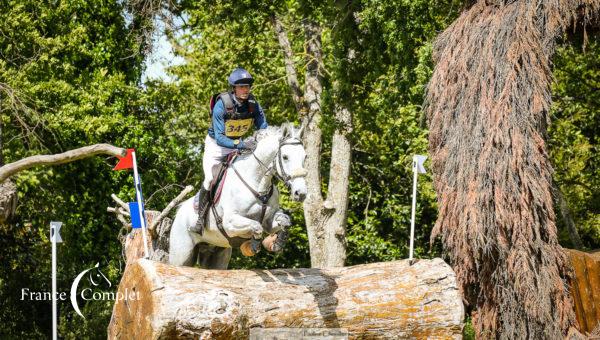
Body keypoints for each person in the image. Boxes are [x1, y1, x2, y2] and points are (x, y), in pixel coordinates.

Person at [190, 67, 268, 233]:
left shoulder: (253, 105)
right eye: (241, 87)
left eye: (247, 86)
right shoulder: (221, 106)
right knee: (210, 178)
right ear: (234, 88)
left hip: (239, 145)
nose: (245, 90)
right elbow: (220, 138)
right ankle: (200, 219)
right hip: (216, 147)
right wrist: (241, 145)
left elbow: (263, 129)